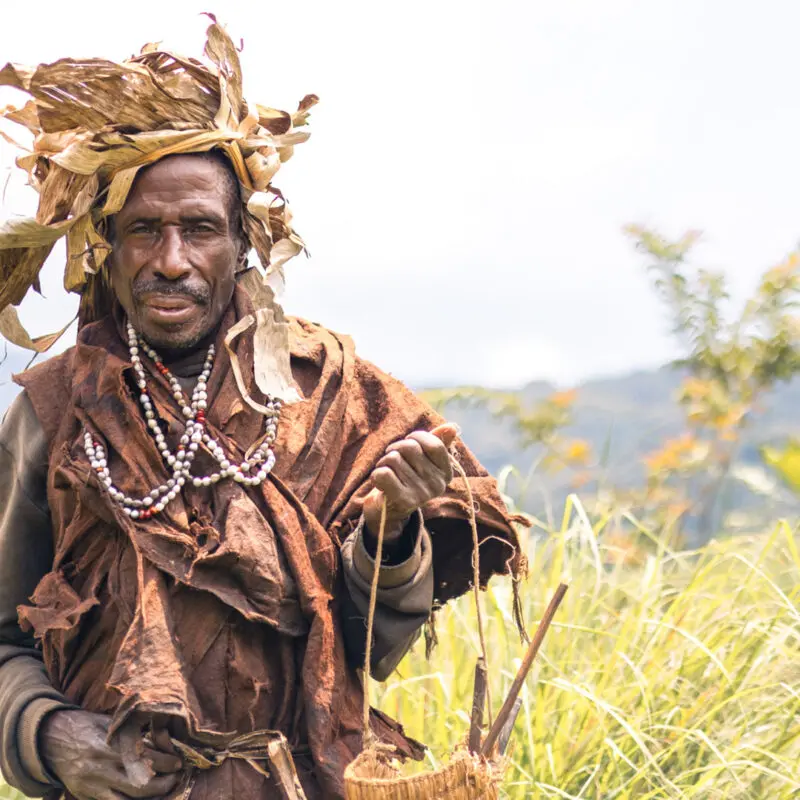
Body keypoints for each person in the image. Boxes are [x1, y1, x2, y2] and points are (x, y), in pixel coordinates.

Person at [0, 21, 525, 800]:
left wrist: (390, 534)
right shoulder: (52, 410)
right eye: (144, 230)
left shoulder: (333, 396)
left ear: (243, 241)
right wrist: (52, 736)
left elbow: (368, 647)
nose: (171, 260)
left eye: (200, 230)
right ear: (103, 242)